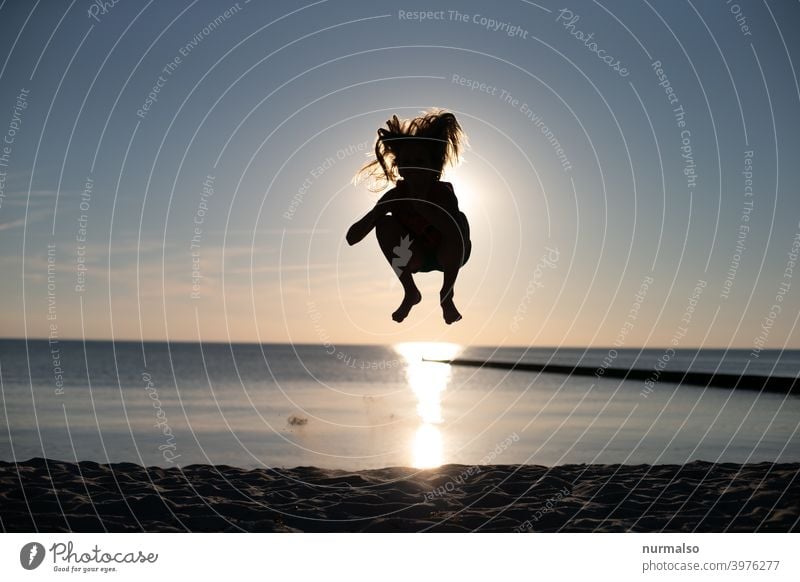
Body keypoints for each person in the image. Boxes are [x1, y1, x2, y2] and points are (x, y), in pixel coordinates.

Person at [346, 110, 471, 324]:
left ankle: (447, 294)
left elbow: (454, 235)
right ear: (400, 168)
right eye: (407, 161)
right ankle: (410, 292)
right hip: (416, 256)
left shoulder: (442, 194)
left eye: (420, 160)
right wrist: (378, 212)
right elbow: (352, 238)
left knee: (459, 220)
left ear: (434, 168)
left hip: (448, 256)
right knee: (384, 224)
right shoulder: (396, 196)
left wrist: (423, 206)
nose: (413, 166)